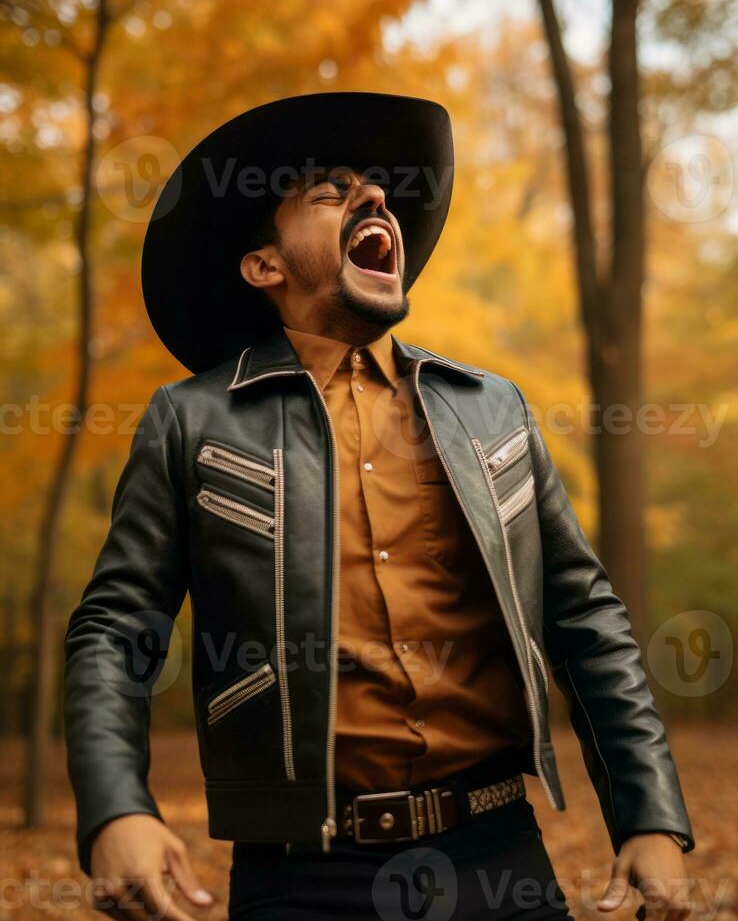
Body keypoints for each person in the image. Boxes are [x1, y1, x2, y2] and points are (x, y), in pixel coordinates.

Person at [64, 92, 694, 920]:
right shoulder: (192, 421)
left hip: (499, 859)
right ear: (265, 267)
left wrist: (649, 817)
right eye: (331, 192)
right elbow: (116, 629)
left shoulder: (491, 409)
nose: (375, 199)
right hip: (301, 881)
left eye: (379, 191)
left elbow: (586, 616)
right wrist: (117, 806)